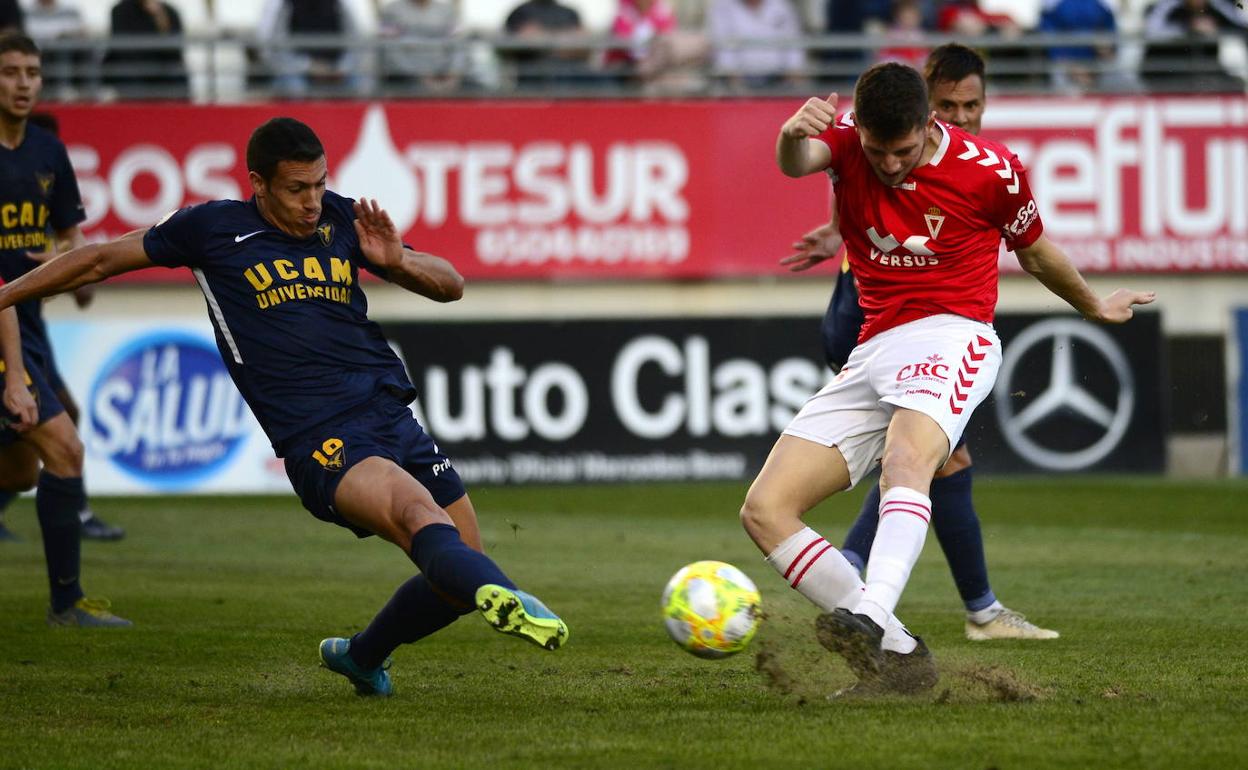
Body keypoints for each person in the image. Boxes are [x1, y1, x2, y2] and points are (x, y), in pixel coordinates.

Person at [0, 115, 569, 696]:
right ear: (259, 184)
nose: (312, 202)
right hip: (320, 434)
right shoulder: (212, 229)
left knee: (457, 575)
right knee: (420, 519)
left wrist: (398, 262)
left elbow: (452, 285)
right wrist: (4, 295)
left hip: (391, 413)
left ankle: (363, 657)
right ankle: (506, 594)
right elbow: (97, 260)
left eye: (320, 185)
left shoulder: (342, 217)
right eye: (298, 189)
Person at [749, 61, 1153, 692]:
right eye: (877, 152)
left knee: (907, 461)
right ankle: (902, 657)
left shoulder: (992, 171)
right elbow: (794, 162)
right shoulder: (850, 137)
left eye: (902, 150)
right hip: (874, 344)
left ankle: (872, 611)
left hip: (954, 332)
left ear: (928, 122)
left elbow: (1036, 250)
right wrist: (789, 132)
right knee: (765, 509)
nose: (887, 164)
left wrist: (1093, 304)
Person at [782, 44, 1057, 642]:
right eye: (949, 105)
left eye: (973, 105)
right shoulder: (874, 145)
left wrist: (834, 230)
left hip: (922, 326)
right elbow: (836, 165)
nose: (961, 118)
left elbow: (1031, 245)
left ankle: (910, 603)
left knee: (928, 460)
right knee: (920, 460)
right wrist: (837, 229)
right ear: (927, 107)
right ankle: (905, 595)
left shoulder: (978, 167)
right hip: (872, 318)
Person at [0, 33, 131, 626]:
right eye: (10, 72)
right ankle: (67, 603)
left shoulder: (49, 154)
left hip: (25, 321)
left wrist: (76, 274)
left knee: (21, 468)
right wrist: (16, 378)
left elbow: (68, 237)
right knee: (63, 447)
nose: (24, 83)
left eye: (32, 71)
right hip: (2, 321)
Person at [257, 0, 369, 99]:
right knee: (294, 86)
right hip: (299, 72)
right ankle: (302, 120)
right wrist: (308, 66)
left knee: (360, 83)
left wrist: (341, 68)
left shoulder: (340, 4)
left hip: (335, 69)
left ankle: (346, 121)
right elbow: (274, 52)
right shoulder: (284, 5)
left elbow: (355, 43)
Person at [102, 0, 189, 100]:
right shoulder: (120, 11)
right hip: (132, 67)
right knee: (131, 75)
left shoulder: (169, 12)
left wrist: (161, 21)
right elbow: (122, 48)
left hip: (161, 68)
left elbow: (175, 51)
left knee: (178, 76)